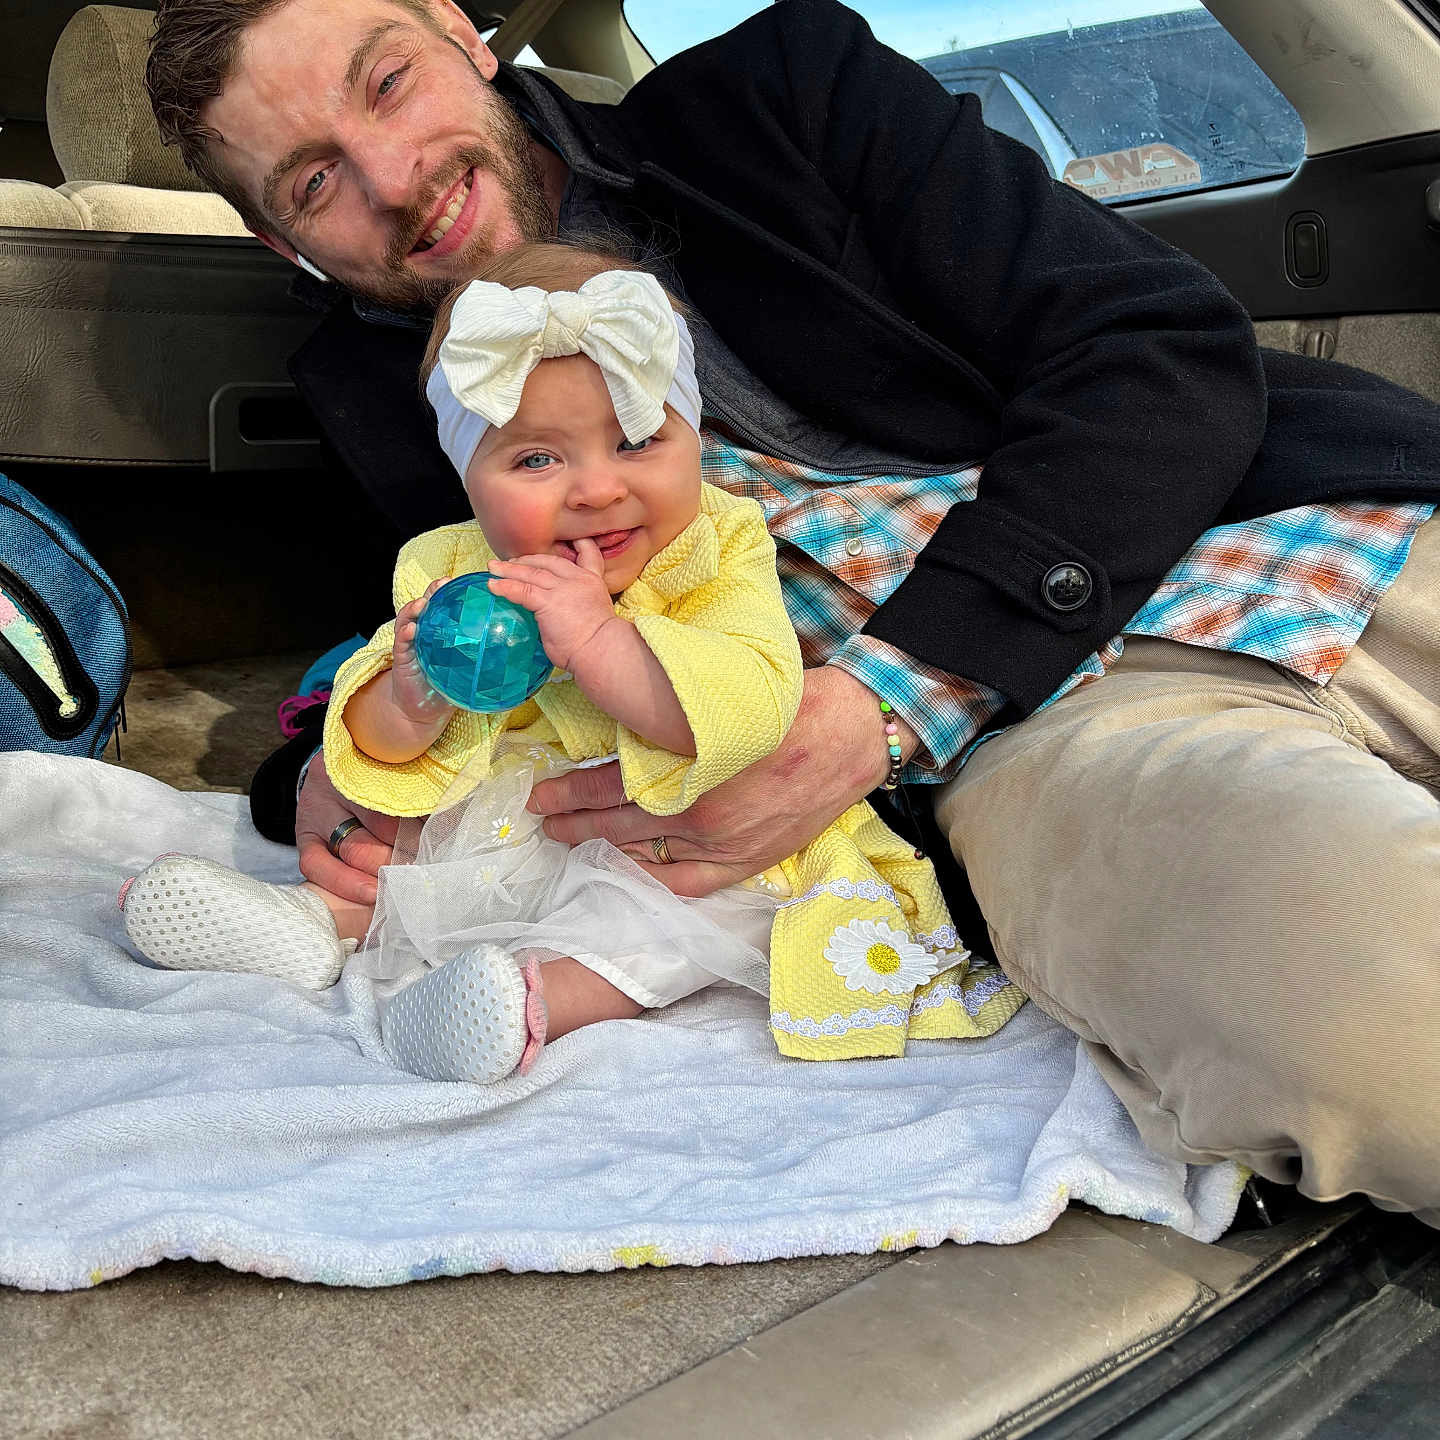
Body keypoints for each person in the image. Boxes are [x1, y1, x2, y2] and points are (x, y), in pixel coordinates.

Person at [143, 0, 1440, 1216]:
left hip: (1297, 531)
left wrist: (888, 695)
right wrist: (333, 767)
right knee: (1376, 1022)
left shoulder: (780, 97)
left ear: (460, 34)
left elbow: (1154, 347)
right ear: (281, 242)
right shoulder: (373, 388)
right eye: (313, 180)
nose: (393, 176)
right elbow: (432, 628)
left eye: (390, 81)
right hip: (1052, 738)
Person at [120, 243, 1024, 1082]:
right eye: (539, 458)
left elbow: (749, 705)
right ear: (468, 479)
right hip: (523, 812)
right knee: (409, 841)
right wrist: (410, 698)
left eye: (637, 442)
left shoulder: (720, 543)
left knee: (683, 917)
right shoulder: (450, 564)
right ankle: (317, 926)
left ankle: (534, 998)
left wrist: (598, 638)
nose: (597, 488)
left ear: (694, 438)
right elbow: (377, 742)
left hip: (683, 824)